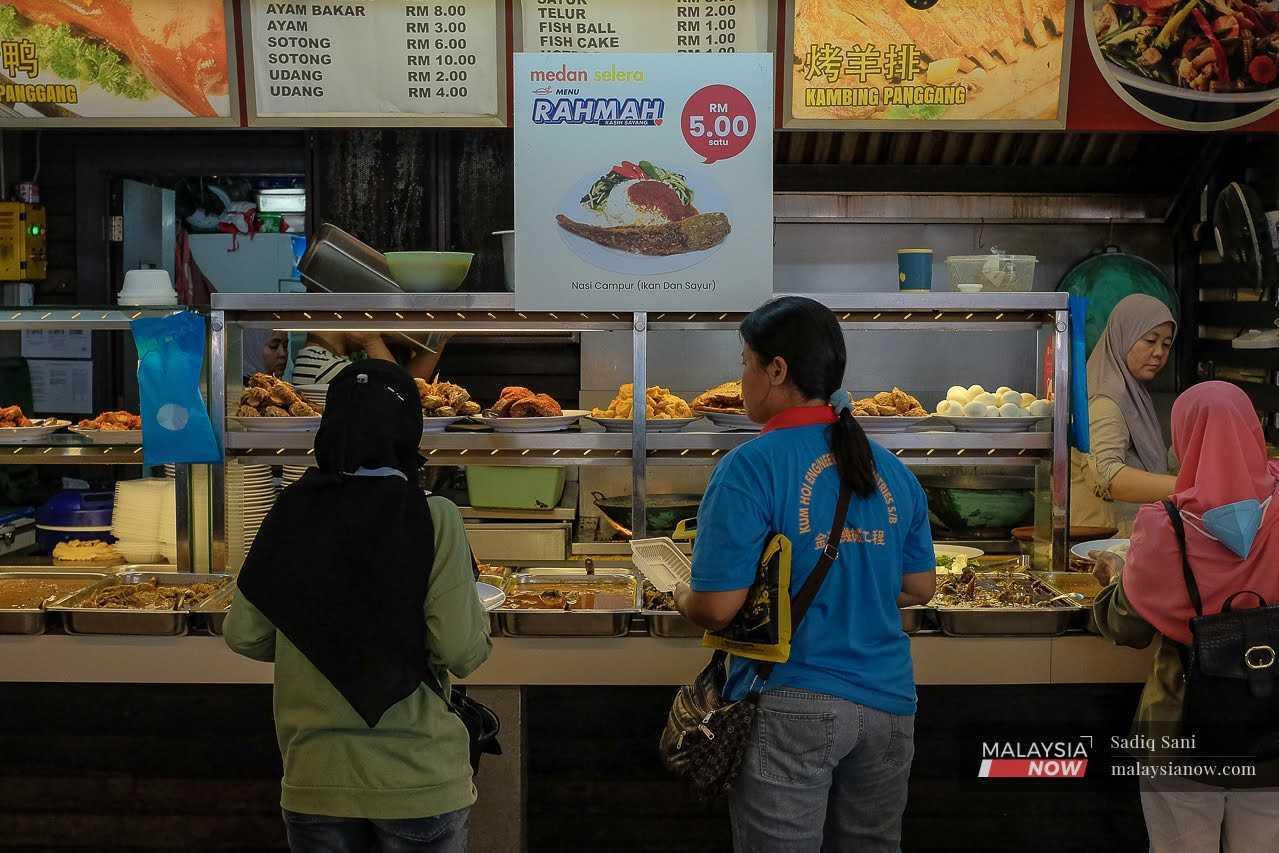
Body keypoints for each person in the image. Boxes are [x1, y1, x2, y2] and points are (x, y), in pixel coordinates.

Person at [674, 296, 936, 852]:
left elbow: (717, 606)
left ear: (776, 369)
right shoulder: (890, 469)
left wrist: (678, 594)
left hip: (792, 701)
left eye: (745, 361)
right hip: (890, 703)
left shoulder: (750, 466)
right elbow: (919, 588)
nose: (740, 377)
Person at [224, 359, 491, 853]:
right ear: (408, 431)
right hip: (419, 779)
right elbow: (460, 650)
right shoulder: (434, 516)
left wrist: (323, 636)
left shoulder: (291, 511)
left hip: (316, 778)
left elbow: (244, 635)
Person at [1092, 381, 1279, 852]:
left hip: (1180, 729)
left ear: (1183, 439)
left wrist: (1117, 578)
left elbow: (1126, 625)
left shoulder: (1164, 523)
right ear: (1254, 431)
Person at [1071, 294, 1179, 536]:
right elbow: (1106, 476)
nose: (1159, 352)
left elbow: (1146, 464)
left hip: (1123, 539)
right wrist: (1190, 488)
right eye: (1150, 340)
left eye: (1166, 344)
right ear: (1123, 337)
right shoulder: (1107, 400)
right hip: (1102, 543)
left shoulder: (1133, 393)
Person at [291, 331, 450, 386]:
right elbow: (401, 394)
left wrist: (438, 340)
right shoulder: (318, 363)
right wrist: (372, 340)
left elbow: (410, 384)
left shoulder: (340, 357)